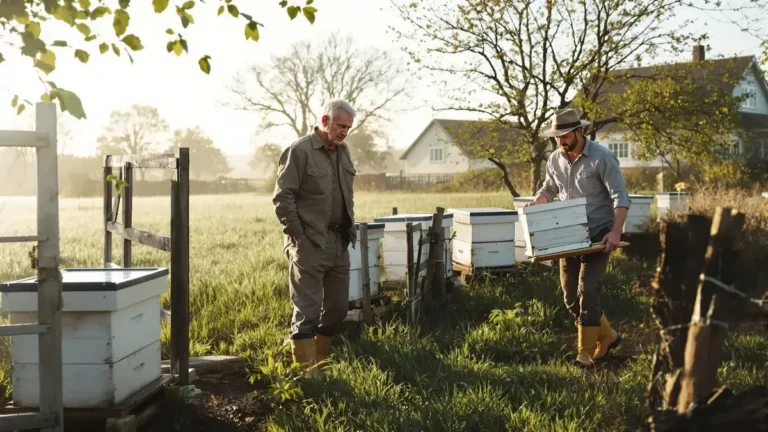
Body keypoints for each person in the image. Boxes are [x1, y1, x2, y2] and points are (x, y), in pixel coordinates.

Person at [523, 107, 631, 368]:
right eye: (556, 136)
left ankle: (585, 351)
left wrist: (615, 231)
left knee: (588, 289)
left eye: (564, 135)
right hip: (567, 233)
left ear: (579, 131)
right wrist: (537, 202)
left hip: (598, 236)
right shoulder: (554, 159)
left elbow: (620, 197)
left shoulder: (602, 158)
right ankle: (607, 336)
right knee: (570, 296)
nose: (560, 141)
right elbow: (549, 188)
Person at [272, 98, 357, 373]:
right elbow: (282, 198)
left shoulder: (344, 153)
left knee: (337, 311)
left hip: (339, 242)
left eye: (348, 127)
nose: (344, 131)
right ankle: (307, 376)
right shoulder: (299, 151)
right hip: (309, 242)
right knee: (307, 313)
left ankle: (319, 363)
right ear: (324, 121)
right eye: (340, 125)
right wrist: (298, 237)